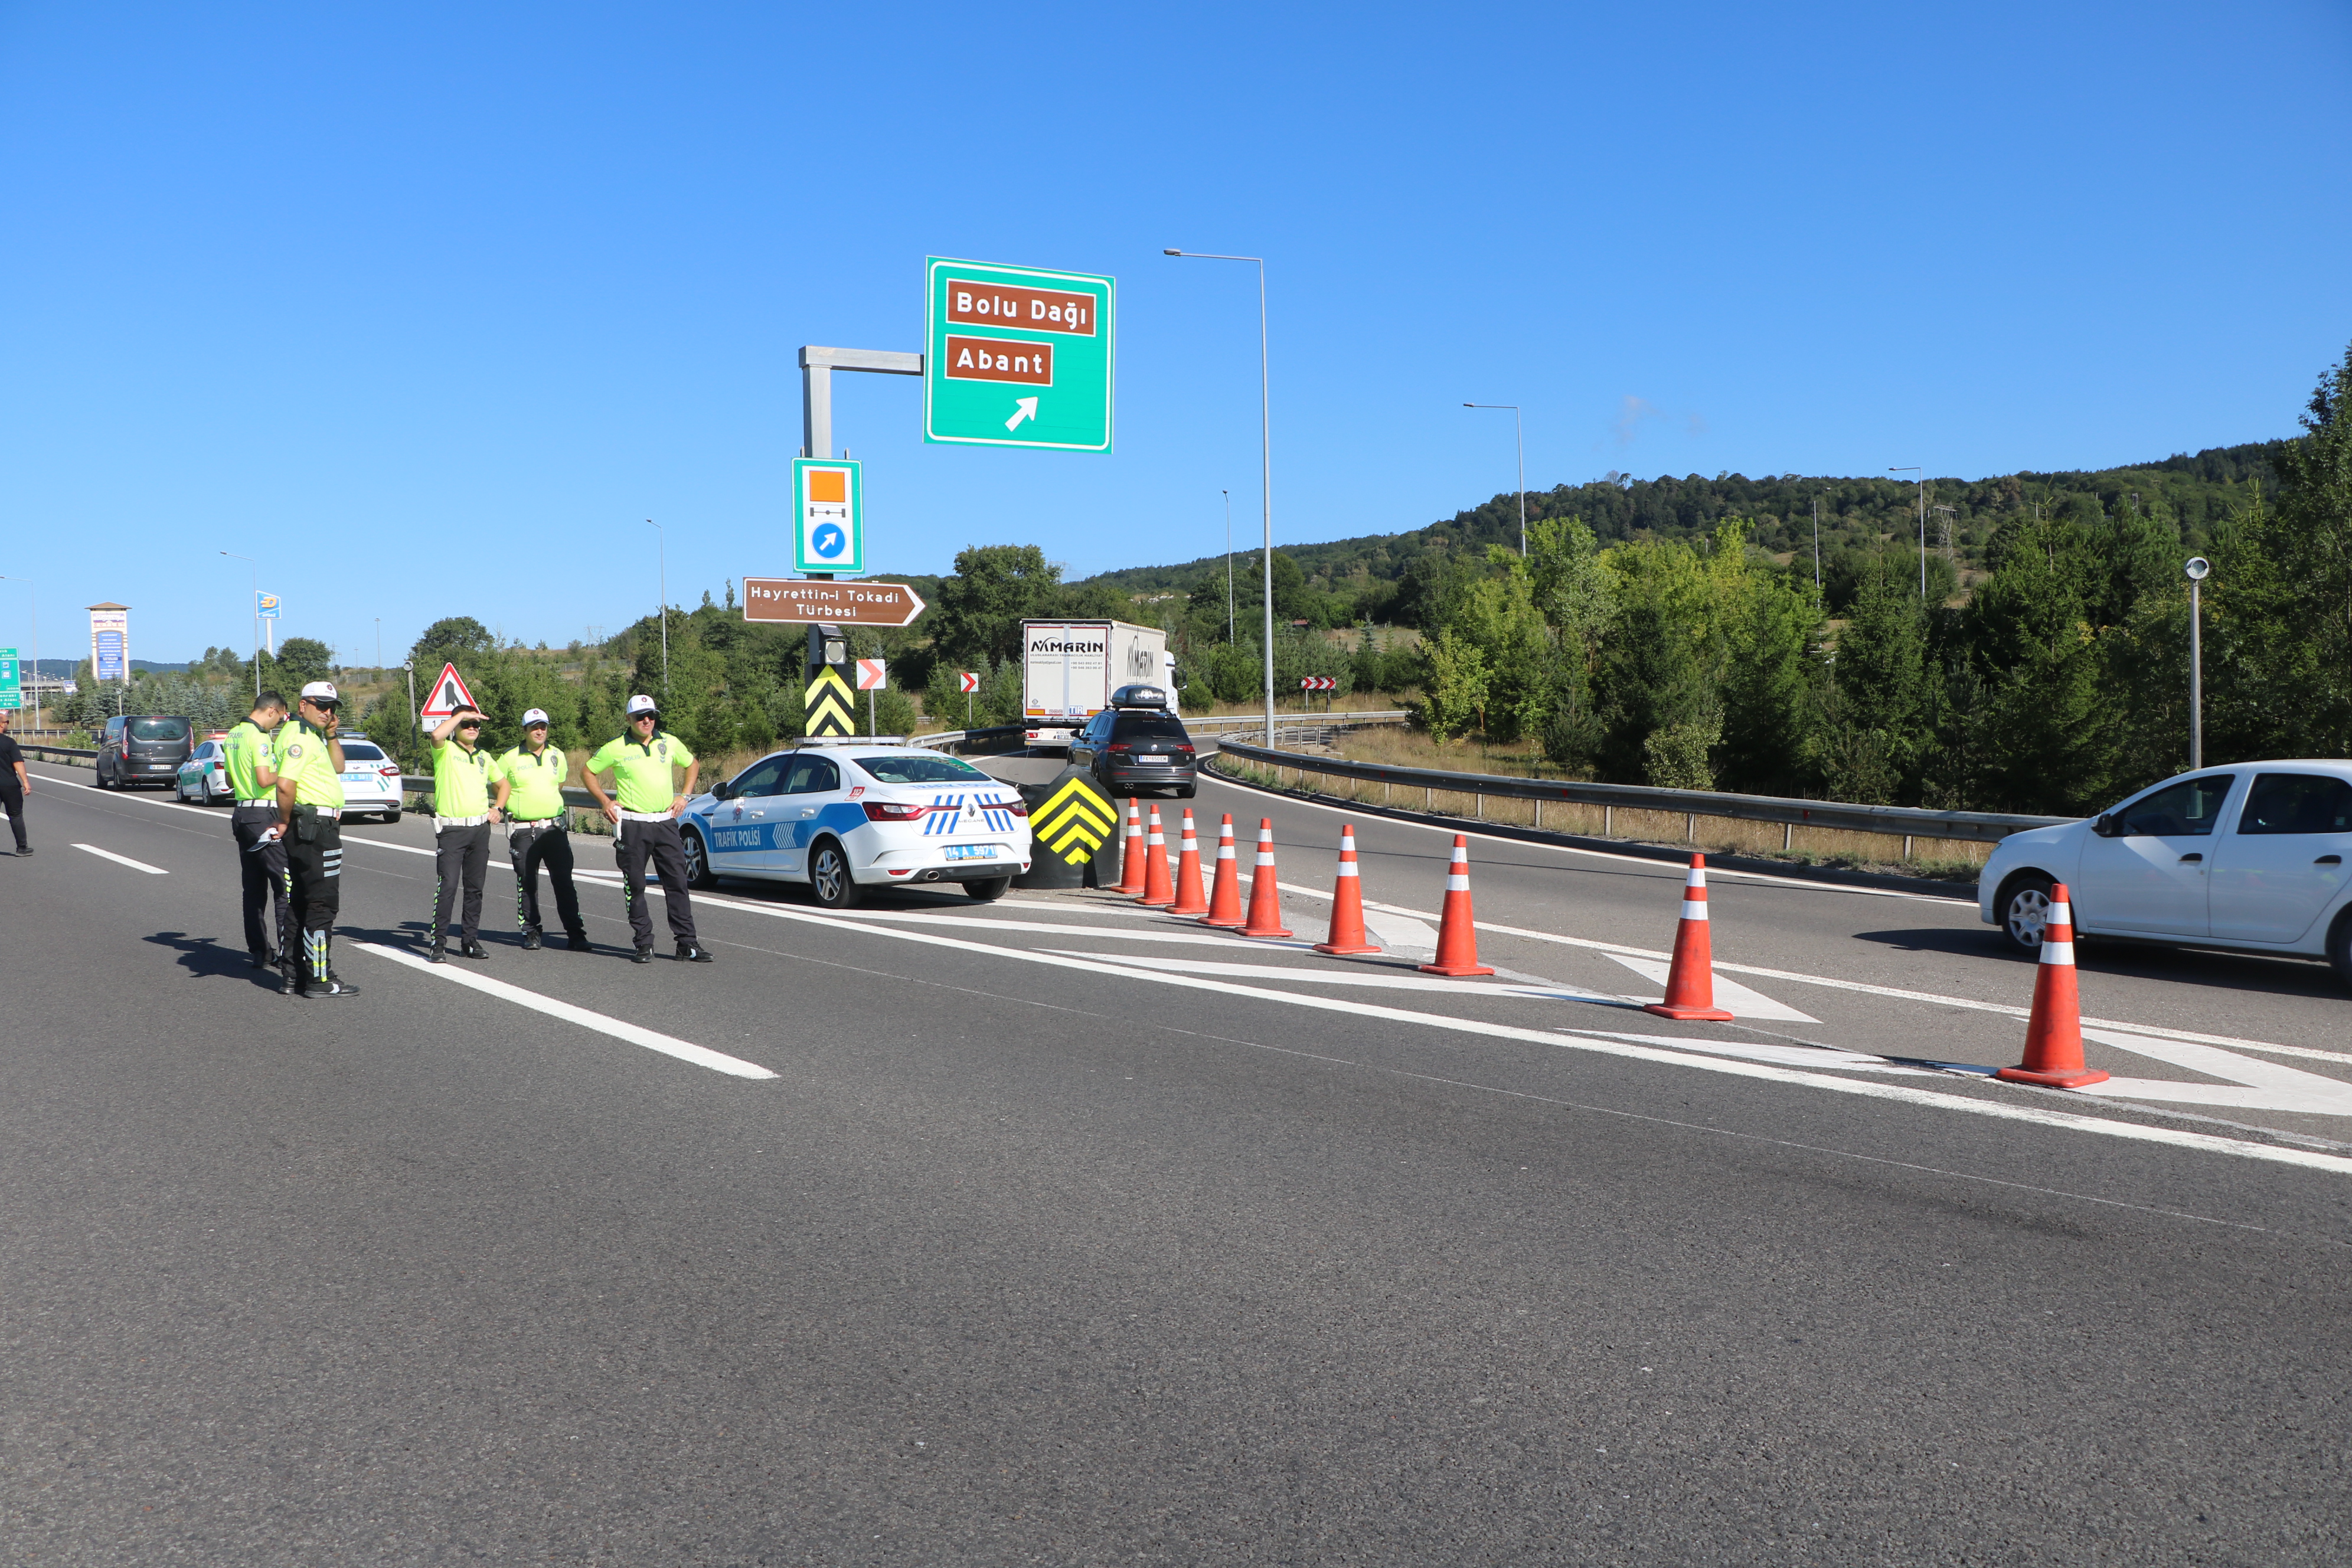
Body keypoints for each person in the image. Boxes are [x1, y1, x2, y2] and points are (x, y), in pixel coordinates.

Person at [584, 694, 710, 963]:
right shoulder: (615, 747)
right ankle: (643, 943)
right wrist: (606, 802)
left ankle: (687, 944)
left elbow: (692, 763)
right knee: (636, 886)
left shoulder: (669, 741)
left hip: (665, 823)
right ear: (629, 718)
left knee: (678, 884)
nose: (647, 720)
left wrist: (684, 796)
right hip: (633, 825)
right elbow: (587, 772)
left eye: (651, 715)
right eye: (640, 716)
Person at [269, 681, 358, 997]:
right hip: (314, 827)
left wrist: (332, 733)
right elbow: (284, 784)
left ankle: (293, 976)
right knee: (322, 905)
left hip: (311, 825)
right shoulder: (299, 737)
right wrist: (283, 819)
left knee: (300, 903)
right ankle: (320, 979)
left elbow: (339, 767)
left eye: (332, 707)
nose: (328, 711)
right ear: (303, 704)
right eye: (321, 705)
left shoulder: (312, 736)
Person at [494, 707, 587, 952]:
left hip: (554, 829)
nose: (539, 731)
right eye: (534, 727)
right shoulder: (509, 757)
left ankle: (576, 934)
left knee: (564, 883)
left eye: (543, 727)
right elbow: (497, 786)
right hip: (524, 830)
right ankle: (532, 932)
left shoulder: (557, 755)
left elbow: (560, 783)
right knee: (527, 883)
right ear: (524, 730)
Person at [424, 704, 501, 962]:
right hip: (453, 829)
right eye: (467, 723)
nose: (472, 728)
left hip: (480, 829)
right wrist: (460, 716)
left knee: (475, 888)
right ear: (456, 725)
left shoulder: (484, 757)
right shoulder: (445, 750)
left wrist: (498, 808)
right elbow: (436, 736)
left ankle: (470, 941)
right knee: (448, 886)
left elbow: (503, 784)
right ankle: (438, 943)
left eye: (476, 724)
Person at [223, 690, 289, 968]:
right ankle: (290, 955)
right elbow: (264, 780)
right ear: (271, 711)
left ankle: (260, 952)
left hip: (242, 812)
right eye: (280, 718)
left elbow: (228, 777)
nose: (278, 725)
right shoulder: (260, 737)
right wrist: (289, 769)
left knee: (253, 889)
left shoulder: (233, 734)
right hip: (263, 813)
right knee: (284, 886)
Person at [0, 708, 28, 856]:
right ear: (1, 725)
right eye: (7, 722)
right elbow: (18, 763)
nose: (8, 724)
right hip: (9, 784)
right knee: (15, 815)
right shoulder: (9, 743)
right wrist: (25, 782)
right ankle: (22, 848)